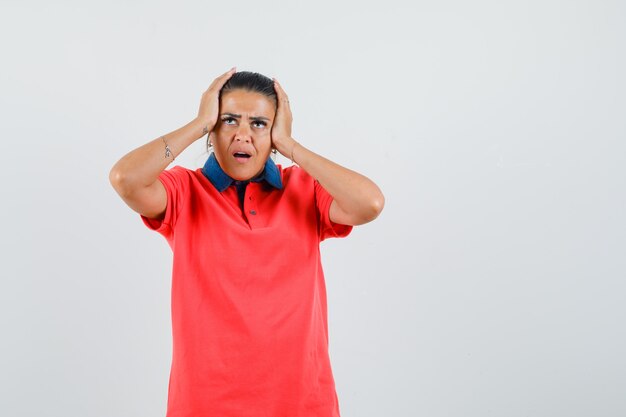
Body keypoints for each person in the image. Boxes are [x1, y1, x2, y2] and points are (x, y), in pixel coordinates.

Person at [109, 68, 384, 417]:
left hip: (301, 404)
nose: (243, 135)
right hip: (205, 404)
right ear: (213, 129)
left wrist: (291, 146)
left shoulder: (304, 189)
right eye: (229, 120)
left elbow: (369, 203)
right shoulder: (185, 191)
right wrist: (197, 124)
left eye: (258, 124)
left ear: (274, 132)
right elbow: (125, 179)